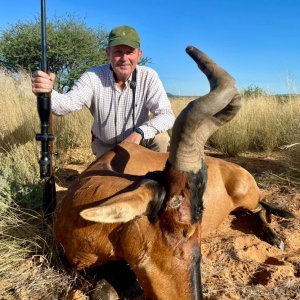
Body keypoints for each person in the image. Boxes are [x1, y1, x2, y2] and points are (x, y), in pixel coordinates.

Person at [32, 25, 175, 158]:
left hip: (138, 143)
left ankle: (156, 178)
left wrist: (140, 132)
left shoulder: (149, 76)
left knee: (161, 139)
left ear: (139, 54)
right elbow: (65, 106)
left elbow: (167, 115)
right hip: (106, 147)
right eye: (118, 52)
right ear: (108, 53)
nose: (124, 59)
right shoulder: (92, 76)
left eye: (130, 52)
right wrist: (47, 91)